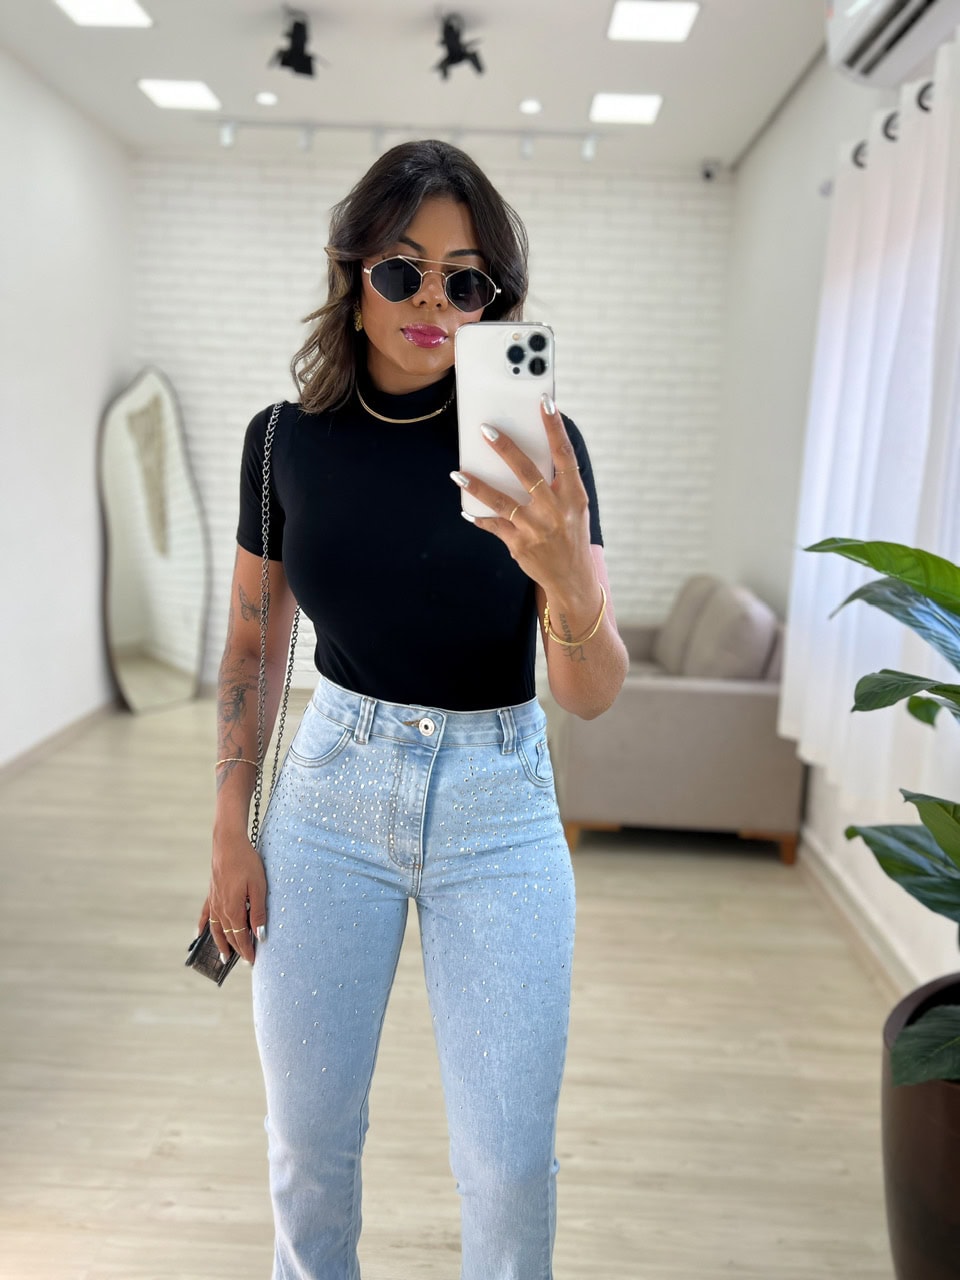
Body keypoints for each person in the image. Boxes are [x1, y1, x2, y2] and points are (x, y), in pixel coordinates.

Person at [201, 139, 628, 1280]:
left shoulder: (544, 452)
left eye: (466, 279)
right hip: (329, 796)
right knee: (308, 1147)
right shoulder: (283, 443)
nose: (433, 301)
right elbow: (252, 642)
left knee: (509, 1165)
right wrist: (230, 826)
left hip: (502, 807)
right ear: (354, 275)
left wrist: (567, 578)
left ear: (495, 299)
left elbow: (592, 694)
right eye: (403, 270)